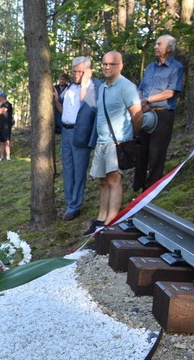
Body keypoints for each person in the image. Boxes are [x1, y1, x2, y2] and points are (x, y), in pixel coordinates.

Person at [83, 51, 142, 236]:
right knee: (103, 181)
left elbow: (137, 114)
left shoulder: (126, 86)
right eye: (104, 64)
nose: (107, 67)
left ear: (120, 66)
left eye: (112, 64)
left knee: (114, 180)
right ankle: (101, 219)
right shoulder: (102, 88)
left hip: (117, 141)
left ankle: (111, 221)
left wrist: (132, 135)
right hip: (102, 141)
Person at [132, 35, 185, 192]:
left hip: (163, 114)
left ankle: (152, 190)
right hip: (144, 113)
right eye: (155, 44)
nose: (155, 47)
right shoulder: (150, 68)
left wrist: (148, 100)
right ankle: (138, 188)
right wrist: (141, 103)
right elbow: (140, 89)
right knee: (141, 151)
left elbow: (171, 92)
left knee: (157, 153)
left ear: (169, 48)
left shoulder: (176, 68)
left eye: (159, 44)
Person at [55, 57, 102, 221]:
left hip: (81, 132)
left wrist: (85, 83)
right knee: (68, 169)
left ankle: (75, 206)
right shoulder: (70, 87)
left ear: (88, 71)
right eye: (74, 71)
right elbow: (66, 110)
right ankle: (69, 202)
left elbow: (89, 107)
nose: (76, 74)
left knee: (79, 170)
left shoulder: (95, 86)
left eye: (80, 72)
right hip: (66, 131)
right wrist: (56, 101)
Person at [0, 92, 14, 161]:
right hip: (0, 125)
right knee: (1, 142)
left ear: (2, 97)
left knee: (7, 141)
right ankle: (2, 156)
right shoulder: (1, 105)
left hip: (6, 126)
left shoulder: (7, 104)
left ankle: (8, 156)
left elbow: (1, 112)